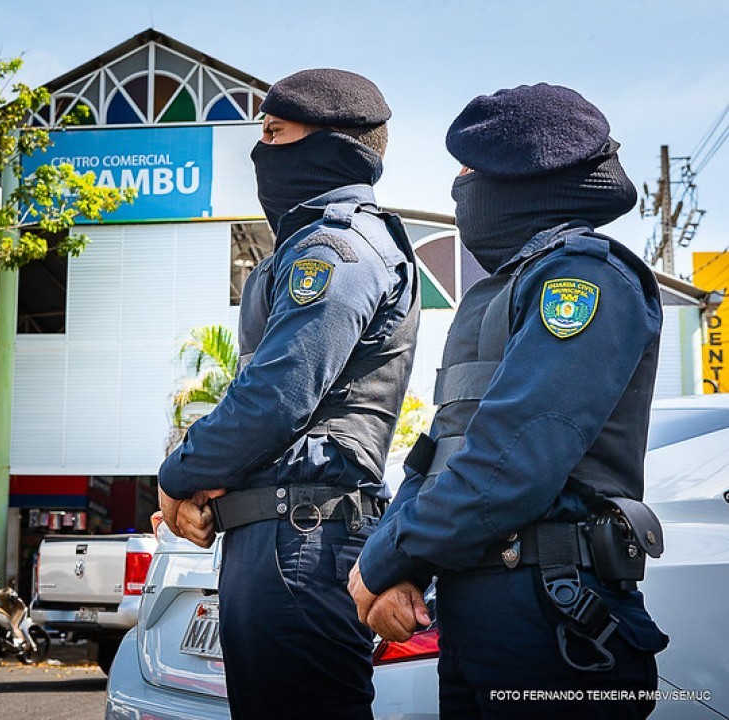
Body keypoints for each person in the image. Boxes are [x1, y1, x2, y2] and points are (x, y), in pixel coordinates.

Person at [349, 83, 669, 719]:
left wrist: (392, 556)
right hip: (481, 615)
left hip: (556, 617)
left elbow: (513, 457)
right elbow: (440, 454)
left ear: (523, 176)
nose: (458, 186)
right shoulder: (497, 294)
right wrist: (400, 564)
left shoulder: (583, 277)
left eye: (469, 170)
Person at [158, 68, 419, 719]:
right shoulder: (312, 244)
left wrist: (178, 474)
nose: (260, 153)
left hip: (304, 540)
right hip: (281, 537)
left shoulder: (336, 247)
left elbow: (279, 395)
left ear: (332, 144)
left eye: (275, 133)